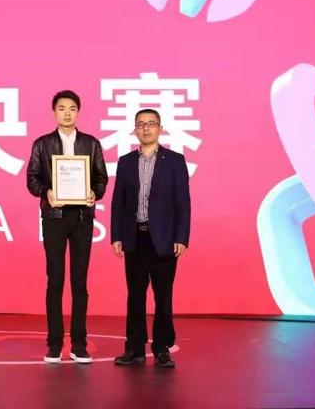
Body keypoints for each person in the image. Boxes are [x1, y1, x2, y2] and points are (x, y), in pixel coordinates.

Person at [26, 90, 108, 364]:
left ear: (78, 112)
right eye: (62, 108)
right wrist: (46, 192)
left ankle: (79, 344)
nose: (67, 113)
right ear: (54, 112)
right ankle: (54, 344)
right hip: (54, 218)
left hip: (82, 218)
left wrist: (95, 193)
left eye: (72, 108)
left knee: (79, 282)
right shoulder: (42, 144)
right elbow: (32, 179)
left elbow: (101, 178)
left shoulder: (91, 144)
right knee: (55, 280)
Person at [110, 108, 191, 368]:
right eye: (141, 124)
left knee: (163, 296)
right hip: (135, 237)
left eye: (151, 123)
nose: (146, 128)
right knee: (135, 296)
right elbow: (118, 202)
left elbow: (183, 203)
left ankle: (162, 348)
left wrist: (181, 237)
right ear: (135, 130)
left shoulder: (175, 161)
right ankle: (134, 348)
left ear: (160, 128)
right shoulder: (125, 162)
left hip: (164, 239)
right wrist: (116, 235)